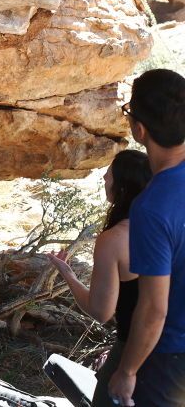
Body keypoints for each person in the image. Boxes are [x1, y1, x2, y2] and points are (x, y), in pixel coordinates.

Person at [47, 150, 152, 407]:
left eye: (110, 173)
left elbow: (100, 311)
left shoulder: (114, 239)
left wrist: (68, 274)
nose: (105, 176)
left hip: (133, 350)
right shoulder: (167, 224)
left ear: (122, 185)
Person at [108, 68, 185, 407]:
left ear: (140, 130)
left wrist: (127, 371)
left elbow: (154, 309)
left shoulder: (151, 208)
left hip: (168, 359)